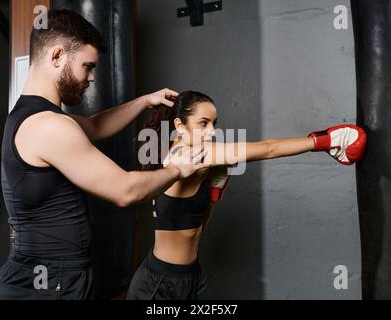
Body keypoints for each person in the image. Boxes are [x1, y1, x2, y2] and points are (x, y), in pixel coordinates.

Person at [0, 9, 207, 300]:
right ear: (57, 56)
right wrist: (178, 170)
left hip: (46, 276)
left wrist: (145, 101)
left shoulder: (31, 115)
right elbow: (125, 190)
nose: (92, 77)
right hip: (48, 282)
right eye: (88, 66)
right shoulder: (49, 126)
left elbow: (94, 126)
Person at [126, 90, 367, 300]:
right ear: (180, 126)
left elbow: (195, 229)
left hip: (192, 277)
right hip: (160, 284)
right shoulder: (189, 156)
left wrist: (212, 194)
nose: (211, 132)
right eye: (203, 123)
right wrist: (323, 141)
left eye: (214, 124)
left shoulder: (191, 158)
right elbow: (268, 148)